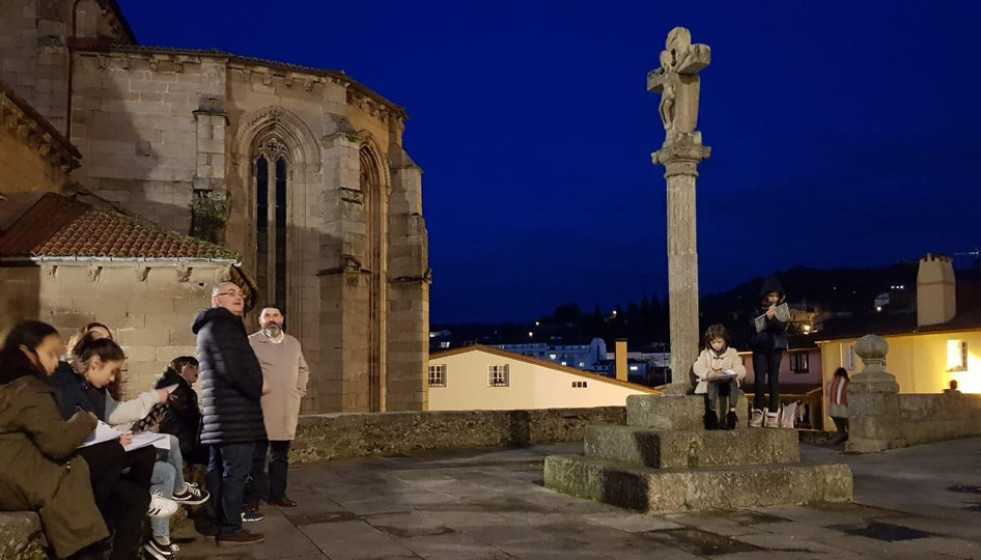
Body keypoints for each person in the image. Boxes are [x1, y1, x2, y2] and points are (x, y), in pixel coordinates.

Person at [52, 334, 189, 560]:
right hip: (76, 461)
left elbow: (99, 419)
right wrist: (114, 439)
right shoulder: (66, 380)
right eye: (112, 371)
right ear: (95, 363)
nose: (112, 378)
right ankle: (140, 504)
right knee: (134, 490)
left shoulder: (93, 387)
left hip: (97, 455)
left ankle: (138, 508)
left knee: (145, 453)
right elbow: (82, 421)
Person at [0, 321, 109, 560]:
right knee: (78, 470)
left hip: (11, 475)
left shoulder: (11, 387)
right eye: (50, 354)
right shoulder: (28, 390)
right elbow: (57, 442)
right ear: (26, 353)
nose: (54, 362)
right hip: (17, 481)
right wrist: (86, 420)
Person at [194, 281, 266, 545]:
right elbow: (232, 369)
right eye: (231, 294)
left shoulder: (213, 326)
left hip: (221, 415)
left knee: (219, 471)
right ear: (216, 300)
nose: (239, 298)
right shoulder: (222, 326)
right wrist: (258, 386)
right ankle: (231, 527)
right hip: (234, 415)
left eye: (240, 294)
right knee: (236, 471)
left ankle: (214, 521)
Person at [247, 307, 310, 511]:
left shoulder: (293, 343)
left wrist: (298, 390)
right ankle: (253, 498)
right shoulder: (251, 342)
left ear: (282, 319)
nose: (272, 320)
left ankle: (278, 495)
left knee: (280, 456)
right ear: (260, 320)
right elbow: (244, 370)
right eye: (267, 316)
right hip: (261, 407)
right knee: (257, 457)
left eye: (275, 316)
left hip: (286, 408)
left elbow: (303, 368)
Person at [748, 277, 790, 428]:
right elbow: (753, 325)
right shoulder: (757, 309)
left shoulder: (783, 308)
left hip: (775, 348)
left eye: (776, 296)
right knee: (759, 381)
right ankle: (758, 411)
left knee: (773, 380)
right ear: (765, 296)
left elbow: (782, 327)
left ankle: (773, 413)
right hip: (759, 347)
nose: (774, 299)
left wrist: (771, 319)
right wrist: (766, 316)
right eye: (771, 295)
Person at [154, 356, 208, 465]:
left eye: (197, 366)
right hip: (181, 440)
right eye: (191, 366)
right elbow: (191, 415)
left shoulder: (179, 388)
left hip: (178, 438)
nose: (196, 370)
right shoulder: (179, 389)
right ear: (180, 369)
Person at [692, 324, 746, 430]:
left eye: (719, 342)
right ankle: (711, 415)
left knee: (733, 383)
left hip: (728, 384)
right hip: (711, 383)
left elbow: (741, 369)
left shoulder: (732, 353)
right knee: (713, 382)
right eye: (713, 342)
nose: (716, 345)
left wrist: (731, 372)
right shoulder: (705, 353)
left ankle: (732, 413)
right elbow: (697, 366)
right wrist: (709, 373)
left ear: (725, 340)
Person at [827, 367, 850, 444]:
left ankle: (833, 443)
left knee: (840, 431)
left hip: (832, 410)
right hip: (843, 409)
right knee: (851, 430)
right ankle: (834, 443)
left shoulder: (832, 382)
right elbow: (848, 396)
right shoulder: (846, 382)